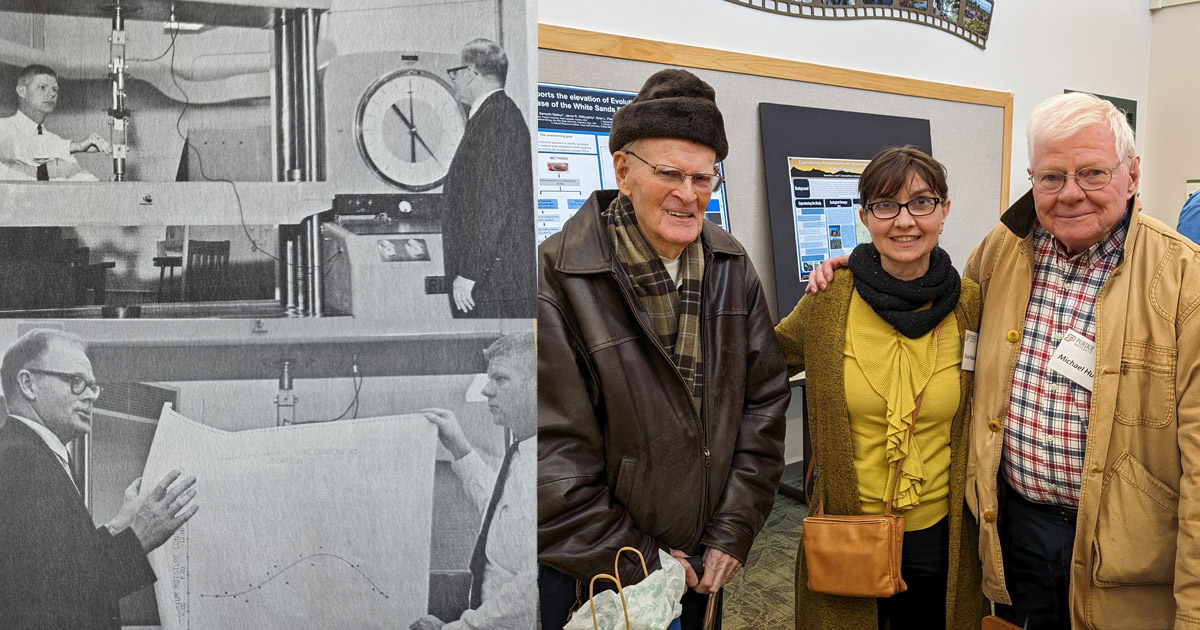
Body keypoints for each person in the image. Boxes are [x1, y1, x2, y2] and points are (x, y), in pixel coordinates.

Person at [809, 92, 1200, 629]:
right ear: (1032, 179)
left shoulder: (1184, 280)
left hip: (1125, 554)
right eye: (1051, 177)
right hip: (1010, 530)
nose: (1071, 193)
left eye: (1092, 173)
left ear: (1131, 175)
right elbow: (935, 300)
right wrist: (861, 269)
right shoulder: (1002, 251)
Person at [537, 68, 791, 630]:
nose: (688, 194)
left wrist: (732, 530)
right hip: (600, 576)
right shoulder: (558, 278)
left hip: (702, 562)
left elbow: (764, 405)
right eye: (670, 173)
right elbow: (551, 464)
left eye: (703, 177)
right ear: (623, 170)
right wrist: (644, 561)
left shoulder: (730, 265)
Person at [776, 146, 983, 630]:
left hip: (943, 530)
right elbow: (762, 368)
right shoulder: (830, 299)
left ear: (944, 211)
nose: (905, 221)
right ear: (865, 217)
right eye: (886, 206)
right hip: (848, 527)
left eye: (922, 203)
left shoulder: (970, 303)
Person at [0, 329, 199, 630]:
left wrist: (120, 524)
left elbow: (63, 564)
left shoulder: (33, 453)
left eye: (92, 386)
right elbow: (58, 594)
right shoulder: (19, 459)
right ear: (29, 384)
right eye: (76, 381)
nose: (91, 395)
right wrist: (140, 535)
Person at [410, 331, 536, 630]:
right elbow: (501, 511)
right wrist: (459, 447)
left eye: (500, 379)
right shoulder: (524, 453)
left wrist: (454, 629)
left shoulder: (548, 466)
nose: (486, 390)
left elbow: (531, 592)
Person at [440, 39, 536, 319]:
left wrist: (469, 273)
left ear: (471, 73)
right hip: (493, 276)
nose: (453, 79)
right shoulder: (497, 114)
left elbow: (492, 204)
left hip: (491, 282)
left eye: (455, 72)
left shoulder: (495, 120)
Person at [0, 64, 110, 181]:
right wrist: (75, 146)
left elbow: (77, 175)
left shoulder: (53, 141)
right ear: (22, 91)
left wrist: (110, 186)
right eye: (43, 87)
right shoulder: (4, 128)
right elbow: (26, 149)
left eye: (54, 89)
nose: (52, 94)